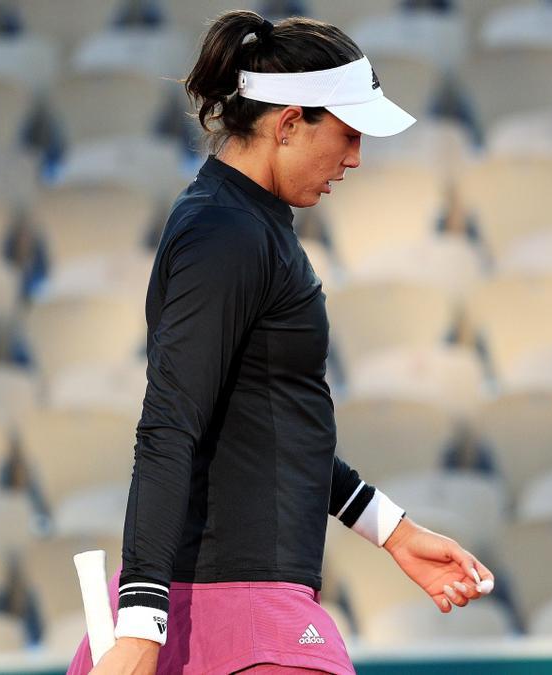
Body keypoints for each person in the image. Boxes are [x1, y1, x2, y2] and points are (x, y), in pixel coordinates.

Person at [68, 11, 494, 675]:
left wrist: (391, 529)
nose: (355, 158)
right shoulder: (226, 231)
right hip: (227, 613)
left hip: (230, 606)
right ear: (290, 123)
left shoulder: (242, 223)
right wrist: (142, 626)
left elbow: (266, 420)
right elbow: (170, 424)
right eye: (349, 135)